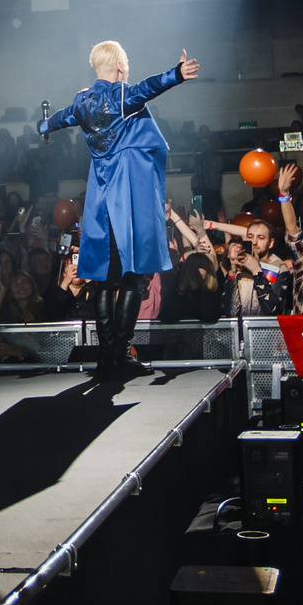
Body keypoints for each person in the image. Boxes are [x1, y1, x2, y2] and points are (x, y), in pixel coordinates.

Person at [38, 40, 201, 373]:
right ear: (120, 67)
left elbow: (58, 120)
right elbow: (148, 88)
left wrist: (43, 126)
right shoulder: (120, 96)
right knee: (133, 277)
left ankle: (107, 354)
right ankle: (121, 353)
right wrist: (177, 75)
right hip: (127, 196)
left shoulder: (82, 101)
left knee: (104, 279)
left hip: (100, 199)